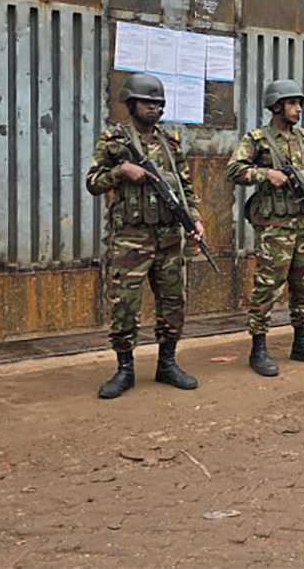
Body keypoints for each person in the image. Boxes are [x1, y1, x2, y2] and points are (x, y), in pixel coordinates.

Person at [85, 73, 203, 399]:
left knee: (174, 303)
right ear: (131, 103)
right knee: (125, 305)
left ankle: (167, 364)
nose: (153, 107)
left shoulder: (171, 143)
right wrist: (121, 171)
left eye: (158, 103)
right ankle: (125, 370)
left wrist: (195, 220)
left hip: (168, 237)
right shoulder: (114, 141)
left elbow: (185, 189)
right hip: (130, 238)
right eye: (147, 102)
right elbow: (93, 182)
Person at [226, 79, 304, 377]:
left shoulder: (303, 139)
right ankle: (258, 349)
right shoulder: (258, 139)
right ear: (277, 106)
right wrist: (266, 174)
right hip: (274, 229)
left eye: (299, 103)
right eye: (292, 103)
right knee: (267, 287)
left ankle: (301, 343)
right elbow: (233, 170)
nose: (298, 108)